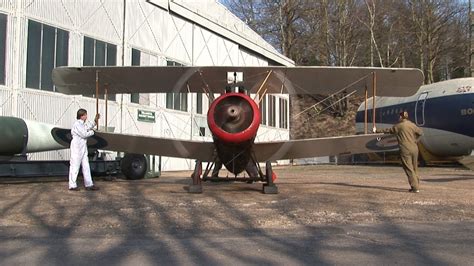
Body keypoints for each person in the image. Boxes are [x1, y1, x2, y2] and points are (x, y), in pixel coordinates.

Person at [375, 111, 423, 193]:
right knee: (415, 167)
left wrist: (376, 130)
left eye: (399, 116)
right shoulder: (412, 124)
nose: (398, 118)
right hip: (415, 148)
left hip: (405, 148)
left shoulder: (399, 126)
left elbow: (388, 130)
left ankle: (415, 187)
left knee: (408, 168)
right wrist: (415, 140)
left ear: (401, 117)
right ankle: (417, 185)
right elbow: (420, 133)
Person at [68, 108, 100, 191]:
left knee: (86, 165)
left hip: (82, 146)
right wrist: (93, 132)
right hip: (77, 146)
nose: (86, 116)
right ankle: (72, 185)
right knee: (75, 165)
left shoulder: (82, 124)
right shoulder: (77, 124)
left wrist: (95, 121)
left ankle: (89, 184)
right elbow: (84, 134)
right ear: (82, 116)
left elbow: (87, 127)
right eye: (85, 115)